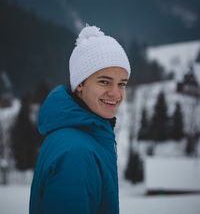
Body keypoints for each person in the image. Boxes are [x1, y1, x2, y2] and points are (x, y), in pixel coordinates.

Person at [29, 25, 131, 214]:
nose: (116, 93)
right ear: (80, 85)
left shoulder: (82, 137)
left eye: (122, 84)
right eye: (104, 81)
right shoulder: (76, 152)